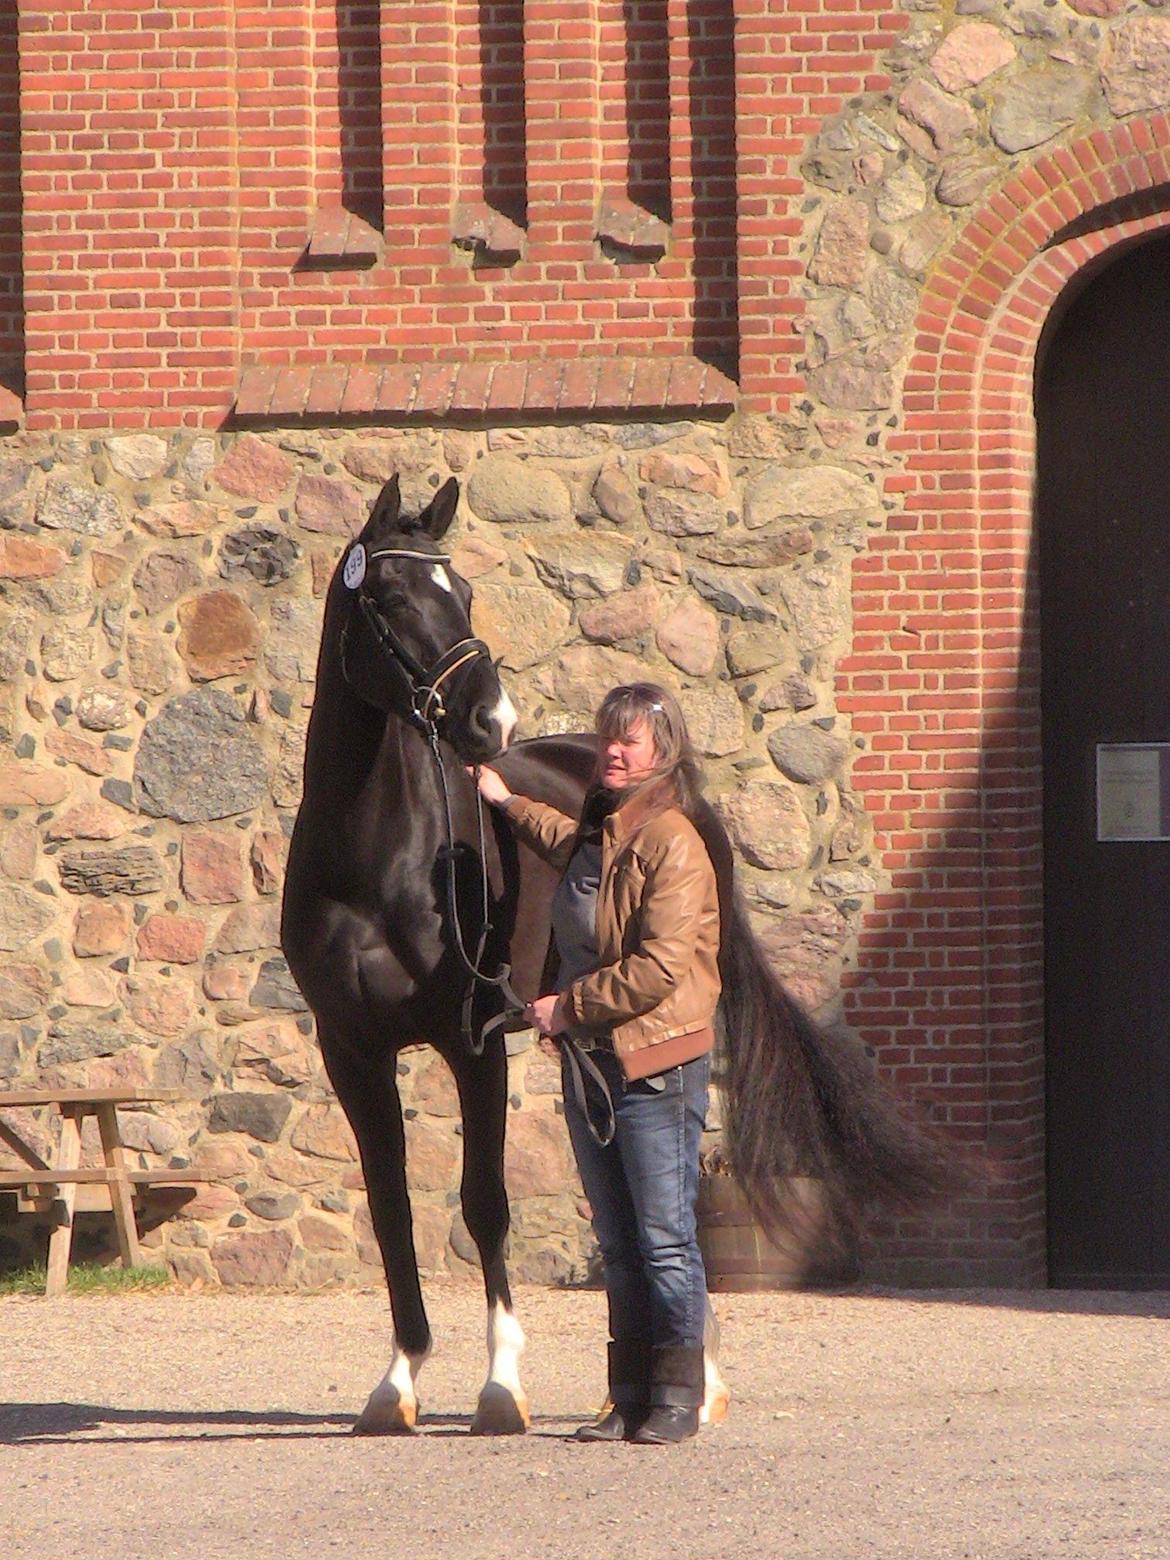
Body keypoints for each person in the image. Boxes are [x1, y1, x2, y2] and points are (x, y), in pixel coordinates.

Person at [474, 682, 721, 1445]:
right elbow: (562, 839)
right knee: (616, 1242)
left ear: (664, 751)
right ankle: (627, 1395)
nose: (614, 750)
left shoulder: (673, 840)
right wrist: (504, 797)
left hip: (655, 1066)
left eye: (632, 740)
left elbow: (661, 966)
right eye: (609, 737)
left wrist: (565, 1006)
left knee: (664, 1238)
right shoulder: (603, 831)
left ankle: (677, 1396)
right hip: (595, 1067)